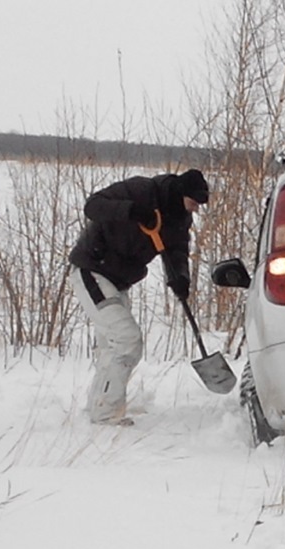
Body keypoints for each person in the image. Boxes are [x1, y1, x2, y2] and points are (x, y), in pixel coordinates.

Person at [69, 168, 210, 425]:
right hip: (92, 270)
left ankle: (98, 408)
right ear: (180, 194)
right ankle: (107, 414)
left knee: (112, 346)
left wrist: (180, 278)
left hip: (120, 281)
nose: (196, 209)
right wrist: (131, 210)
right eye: (193, 202)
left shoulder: (180, 219)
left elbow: (177, 252)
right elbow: (93, 206)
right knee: (126, 340)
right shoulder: (141, 191)